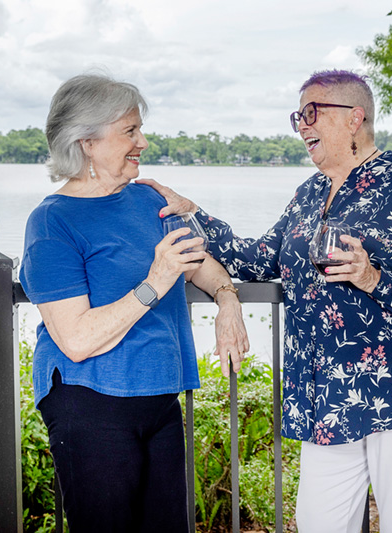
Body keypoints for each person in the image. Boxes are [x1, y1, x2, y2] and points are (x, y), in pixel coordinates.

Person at [138, 69, 392, 532]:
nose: (302, 125)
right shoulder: (309, 194)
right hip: (328, 400)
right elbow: (258, 259)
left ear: (355, 117)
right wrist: (193, 213)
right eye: (297, 116)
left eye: (312, 113)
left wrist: (374, 277)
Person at [19, 73, 249, 532]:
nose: (142, 142)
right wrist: (156, 281)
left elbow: (200, 263)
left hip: (160, 398)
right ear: (87, 141)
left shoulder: (149, 200)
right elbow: (78, 339)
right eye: (129, 131)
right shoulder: (51, 222)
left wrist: (228, 301)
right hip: (89, 404)